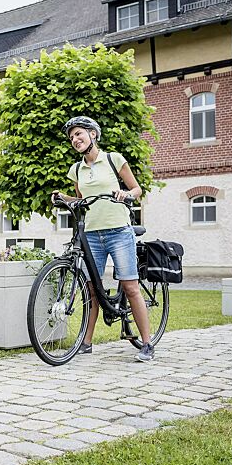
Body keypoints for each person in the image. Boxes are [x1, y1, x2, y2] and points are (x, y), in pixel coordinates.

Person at [51, 116, 154, 362]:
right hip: (91, 235)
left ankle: (148, 343)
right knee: (92, 290)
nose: (75, 139)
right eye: (72, 136)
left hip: (118, 230)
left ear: (93, 134)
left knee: (130, 287)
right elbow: (81, 200)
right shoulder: (76, 169)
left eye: (79, 134)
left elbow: (137, 190)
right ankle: (86, 343)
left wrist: (125, 193)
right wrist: (63, 197)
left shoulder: (113, 159)